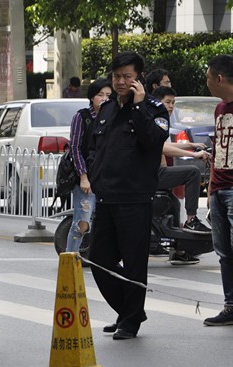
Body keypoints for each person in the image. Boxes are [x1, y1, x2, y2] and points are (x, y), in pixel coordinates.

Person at [87, 51, 170, 340]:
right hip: (107, 197)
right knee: (98, 259)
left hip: (135, 197)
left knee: (135, 263)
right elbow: (96, 148)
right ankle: (129, 310)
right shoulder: (107, 108)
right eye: (116, 76)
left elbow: (153, 141)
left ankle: (130, 321)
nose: (120, 81)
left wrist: (138, 107)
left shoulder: (154, 109)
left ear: (139, 78)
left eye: (127, 76)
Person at [203, 54, 233, 326]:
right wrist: (211, 185)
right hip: (219, 188)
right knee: (224, 252)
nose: (207, 83)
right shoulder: (220, 108)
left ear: (219, 79)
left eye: (208, 78)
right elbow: (219, 148)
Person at [151, 87, 212, 234]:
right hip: (152, 174)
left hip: (155, 172)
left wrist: (191, 145)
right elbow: (161, 147)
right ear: (156, 102)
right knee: (193, 172)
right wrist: (193, 155)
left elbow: (166, 145)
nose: (171, 106)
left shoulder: (160, 120)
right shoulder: (154, 121)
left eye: (173, 103)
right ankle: (191, 220)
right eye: (167, 102)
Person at [64, 78, 112, 252]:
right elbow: (75, 148)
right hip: (86, 179)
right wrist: (83, 177)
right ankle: (69, 258)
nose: (104, 98)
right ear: (92, 97)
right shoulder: (82, 117)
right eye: (100, 95)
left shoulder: (112, 118)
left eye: (108, 95)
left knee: (106, 223)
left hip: (107, 178)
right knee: (82, 223)